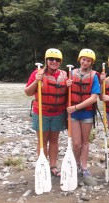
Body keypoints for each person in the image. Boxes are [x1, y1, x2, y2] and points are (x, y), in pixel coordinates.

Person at [24, 48, 68, 177]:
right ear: (46, 60)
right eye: (51, 59)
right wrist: (36, 81)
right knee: (42, 141)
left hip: (58, 113)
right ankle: (42, 165)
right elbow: (28, 92)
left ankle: (53, 166)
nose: (54, 62)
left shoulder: (65, 75)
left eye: (57, 60)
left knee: (54, 140)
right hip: (41, 112)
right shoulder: (37, 73)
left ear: (60, 62)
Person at [66, 49, 100, 185]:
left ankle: (84, 167)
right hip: (73, 113)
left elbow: (93, 98)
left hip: (85, 112)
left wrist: (75, 107)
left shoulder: (94, 76)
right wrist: (66, 84)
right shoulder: (71, 73)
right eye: (83, 59)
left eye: (88, 60)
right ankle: (77, 163)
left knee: (85, 142)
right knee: (76, 143)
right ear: (80, 59)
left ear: (91, 62)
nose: (85, 62)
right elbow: (62, 91)